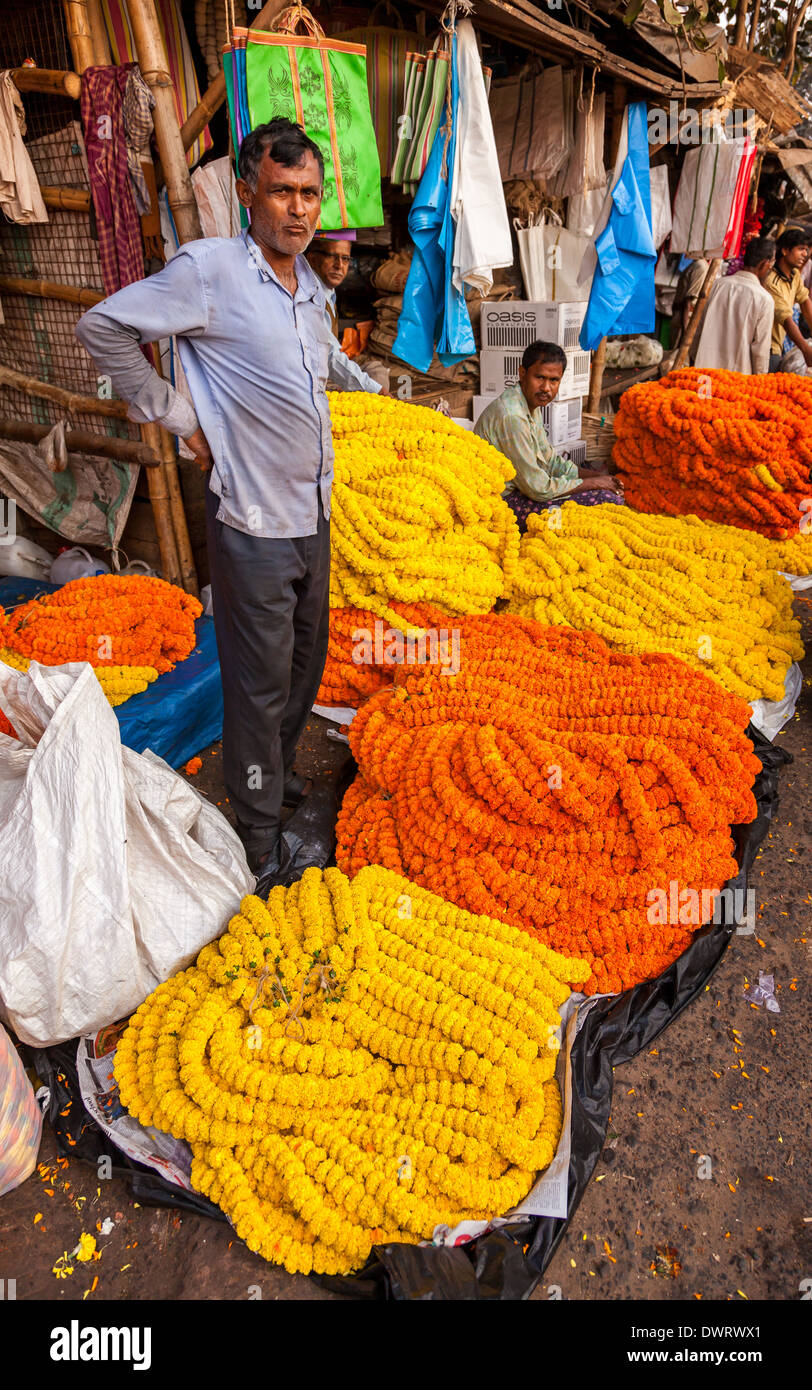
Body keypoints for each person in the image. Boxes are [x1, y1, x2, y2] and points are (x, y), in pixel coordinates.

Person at [75, 118, 383, 895]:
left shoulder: (311, 286)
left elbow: (324, 372)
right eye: (282, 192)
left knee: (305, 667)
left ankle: (271, 781)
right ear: (247, 193)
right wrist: (179, 415)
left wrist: (390, 399)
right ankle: (257, 833)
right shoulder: (209, 272)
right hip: (250, 524)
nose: (300, 209)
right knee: (258, 681)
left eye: (310, 193)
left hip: (311, 517)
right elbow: (103, 326)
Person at [474, 341, 622, 533]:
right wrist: (592, 483)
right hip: (503, 505)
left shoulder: (529, 405)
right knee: (606, 501)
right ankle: (551, 534)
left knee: (604, 492)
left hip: (526, 490)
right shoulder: (512, 417)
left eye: (554, 380)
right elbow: (538, 488)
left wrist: (600, 478)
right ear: (522, 373)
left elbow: (550, 461)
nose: (546, 387)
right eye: (540, 377)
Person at [306, 234, 384, 392]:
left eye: (345, 258)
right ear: (312, 259)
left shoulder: (326, 292)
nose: (339, 265)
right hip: (300, 388)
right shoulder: (310, 295)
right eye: (332, 256)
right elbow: (329, 355)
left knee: (377, 371)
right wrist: (374, 390)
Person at [693, 236, 775, 375]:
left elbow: (698, 327)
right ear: (764, 264)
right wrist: (760, 378)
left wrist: (693, 356)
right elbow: (760, 351)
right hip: (737, 379)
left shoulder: (717, 285)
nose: (770, 269)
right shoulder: (764, 299)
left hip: (703, 371)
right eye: (771, 265)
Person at [765, 227, 812, 371]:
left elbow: (804, 300)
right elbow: (785, 318)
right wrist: (805, 349)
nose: (805, 254)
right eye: (801, 249)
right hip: (768, 347)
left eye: (806, 249)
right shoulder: (771, 280)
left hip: (781, 345)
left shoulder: (794, 275)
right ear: (785, 251)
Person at [669, 255, 709, 352]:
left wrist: (685, 330)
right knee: (675, 356)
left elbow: (688, 301)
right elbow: (688, 301)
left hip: (683, 318)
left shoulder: (699, 265)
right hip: (682, 318)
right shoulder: (699, 265)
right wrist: (685, 331)